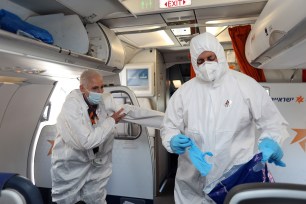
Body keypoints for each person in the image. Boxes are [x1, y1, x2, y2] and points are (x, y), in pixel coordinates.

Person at [160, 32, 290, 204]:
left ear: (219, 54)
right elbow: (168, 128)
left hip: (236, 176)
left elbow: (273, 123)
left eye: (210, 57)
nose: (206, 64)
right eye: (200, 60)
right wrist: (172, 140)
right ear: (194, 62)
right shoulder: (184, 93)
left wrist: (272, 141)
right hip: (192, 181)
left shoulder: (246, 85)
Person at [51, 69, 164, 204]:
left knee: (96, 198)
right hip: (72, 163)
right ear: (82, 88)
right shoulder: (71, 107)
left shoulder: (105, 99)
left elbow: (128, 112)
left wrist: (167, 120)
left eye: (102, 87)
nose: (100, 92)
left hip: (97, 162)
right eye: (95, 88)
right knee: (66, 200)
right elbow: (86, 141)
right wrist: (111, 121)